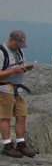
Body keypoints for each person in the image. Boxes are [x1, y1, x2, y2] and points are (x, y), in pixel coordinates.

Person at [1, 30, 36, 158]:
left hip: (17, 89)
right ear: (11, 40)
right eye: (18, 44)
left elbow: (19, 67)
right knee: (5, 117)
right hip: (4, 89)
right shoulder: (2, 52)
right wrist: (13, 70)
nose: (19, 47)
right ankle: (7, 145)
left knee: (22, 116)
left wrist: (25, 69)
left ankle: (21, 144)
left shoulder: (19, 52)